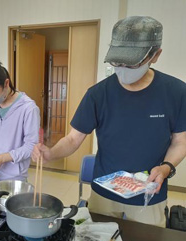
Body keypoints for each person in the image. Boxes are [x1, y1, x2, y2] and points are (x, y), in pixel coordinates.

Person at [32, 16, 186, 227]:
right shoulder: (98, 94)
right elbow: (73, 139)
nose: (122, 69)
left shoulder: (176, 92)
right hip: (104, 192)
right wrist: (50, 153)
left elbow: (180, 141)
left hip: (150, 194)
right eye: (117, 62)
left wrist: (167, 167)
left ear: (155, 55)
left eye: (131, 63)